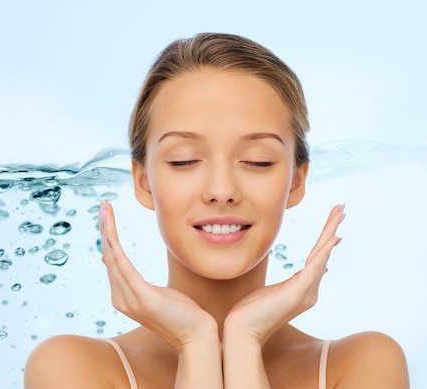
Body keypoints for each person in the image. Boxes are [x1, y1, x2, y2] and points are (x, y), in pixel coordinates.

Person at [24, 33, 409, 388]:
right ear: (143, 181)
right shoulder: (71, 367)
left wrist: (245, 340)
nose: (221, 191)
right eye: (184, 161)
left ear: (296, 181)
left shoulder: (362, 365)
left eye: (258, 161)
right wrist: (196, 342)